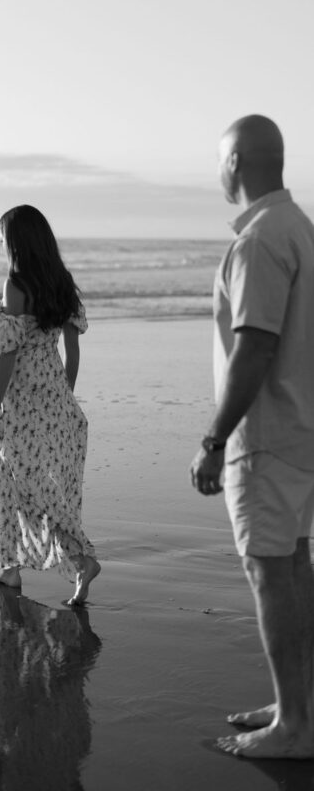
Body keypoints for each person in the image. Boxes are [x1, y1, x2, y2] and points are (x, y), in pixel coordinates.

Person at [190, 115, 314, 759]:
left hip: (266, 437)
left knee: (271, 573)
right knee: (293, 567)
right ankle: (299, 704)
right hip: (300, 429)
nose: (217, 172)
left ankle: (295, 726)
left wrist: (215, 440)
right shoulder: (299, 229)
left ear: (235, 162)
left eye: (219, 161)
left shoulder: (261, 240)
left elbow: (255, 347)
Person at [0, 204, 100, 606]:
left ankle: (81, 558)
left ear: (16, 243)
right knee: (23, 482)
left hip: (25, 398)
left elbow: (7, 353)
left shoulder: (17, 284)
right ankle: (9, 568)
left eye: (2, 239)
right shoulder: (60, 281)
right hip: (56, 395)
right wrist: (65, 395)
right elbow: (73, 349)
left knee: (24, 484)